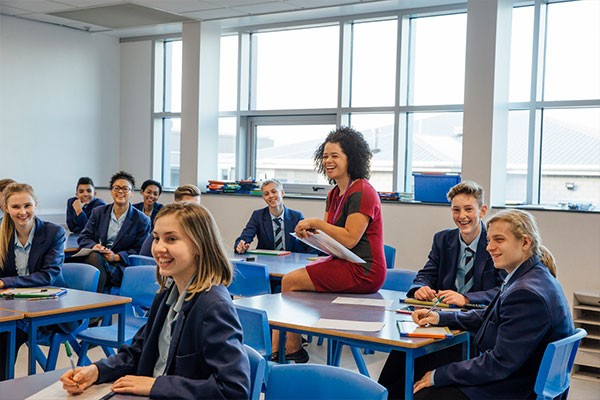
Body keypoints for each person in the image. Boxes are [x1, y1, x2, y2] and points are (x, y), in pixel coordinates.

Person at [60, 203, 250, 399]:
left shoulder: (213, 306)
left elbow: (232, 390)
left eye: (172, 239)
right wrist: (97, 371)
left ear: (199, 246)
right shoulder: (166, 295)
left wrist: (156, 386)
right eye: (157, 238)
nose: (159, 248)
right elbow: (138, 352)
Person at [383, 209, 574, 399]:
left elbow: (499, 363)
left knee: (424, 391)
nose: (489, 247)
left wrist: (438, 375)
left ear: (525, 242)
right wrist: (440, 317)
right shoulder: (530, 277)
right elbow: (490, 316)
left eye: (499, 240)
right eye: (489, 240)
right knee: (403, 361)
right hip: (519, 376)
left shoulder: (525, 292)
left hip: (516, 388)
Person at [273, 127, 386, 363]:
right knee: (293, 280)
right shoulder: (334, 193)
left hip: (364, 270)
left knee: (290, 281)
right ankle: (286, 347)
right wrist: (312, 234)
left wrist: (316, 223)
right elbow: (332, 240)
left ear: (350, 158)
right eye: (325, 156)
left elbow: (349, 238)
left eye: (335, 155)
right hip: (344, 262)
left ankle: (289, 348)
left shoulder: (363, 191)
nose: (328, 161)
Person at [0, 183, 66, 380]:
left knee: (5, 335)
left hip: (49, 307)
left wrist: (4, 282)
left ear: (36, 205)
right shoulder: (2, 235)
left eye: (27, 205)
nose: (22, 212)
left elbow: (48, 275)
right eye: (16, 207)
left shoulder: (54, 232)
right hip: (12, 304)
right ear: (6, 208)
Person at [407, 181, 505, 307]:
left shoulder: (495, 244)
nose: (462, 216)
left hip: (481, 315)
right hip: (445, 312)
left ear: (483, 211)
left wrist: (466, 298)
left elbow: (504, 289)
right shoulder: (442, 239)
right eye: (456, 210)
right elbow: (427, 274)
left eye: (469, 209)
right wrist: (420, 288)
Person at [77, 171, 151, 292]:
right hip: (98, 258)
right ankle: (99, 303)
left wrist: (116, 257)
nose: (120, 192)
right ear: (111, 191)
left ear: (132, 193)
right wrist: (94, 246)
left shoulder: (142, 220)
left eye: (125, 189)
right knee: (93, 257)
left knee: (92, 264)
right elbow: (84, 237)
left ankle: (96, 303)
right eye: (116, 188)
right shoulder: (98, 212)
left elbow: (141, 250)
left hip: (121, 266)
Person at [234, 178, 314, 254]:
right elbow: (245, 237)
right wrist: (240, 246)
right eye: (266, 194)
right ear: (263, 197)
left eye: (274, 191)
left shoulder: (296, 216)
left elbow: (309, 243)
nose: (271, 196)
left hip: (290, 262)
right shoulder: (258, 216)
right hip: (267, 261)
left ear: (282, 193)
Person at [139, 184, 202, 257]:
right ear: (175, 204)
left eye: (196, 206)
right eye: (187, 206)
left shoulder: (201, 229)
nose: (193, 211)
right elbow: (143, 258)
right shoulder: (164, 229)